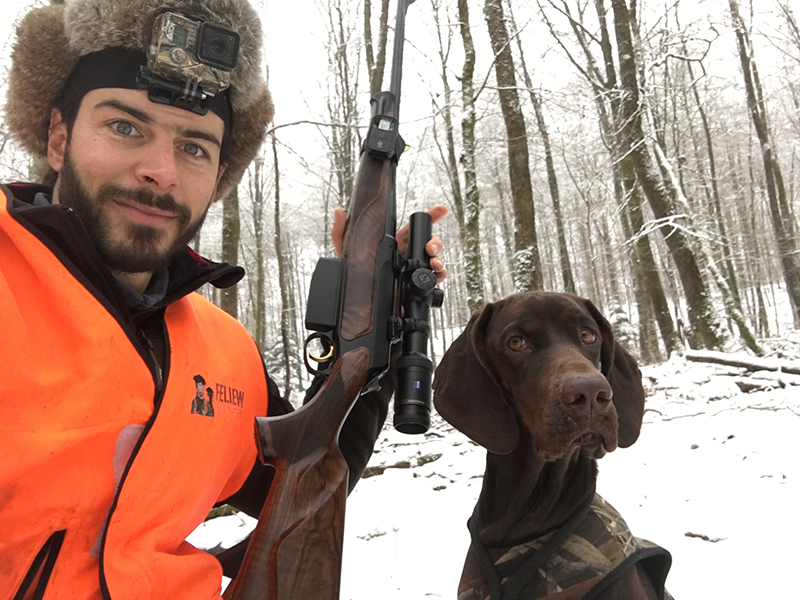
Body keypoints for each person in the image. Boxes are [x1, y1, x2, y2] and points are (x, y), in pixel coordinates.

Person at [0, 0, 447, 598]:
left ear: (218, 177)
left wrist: (371, 327)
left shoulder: (225, 352)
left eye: (194, 147)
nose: (160, 170)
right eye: (125, 127)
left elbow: (306, 478)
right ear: (58, 139)